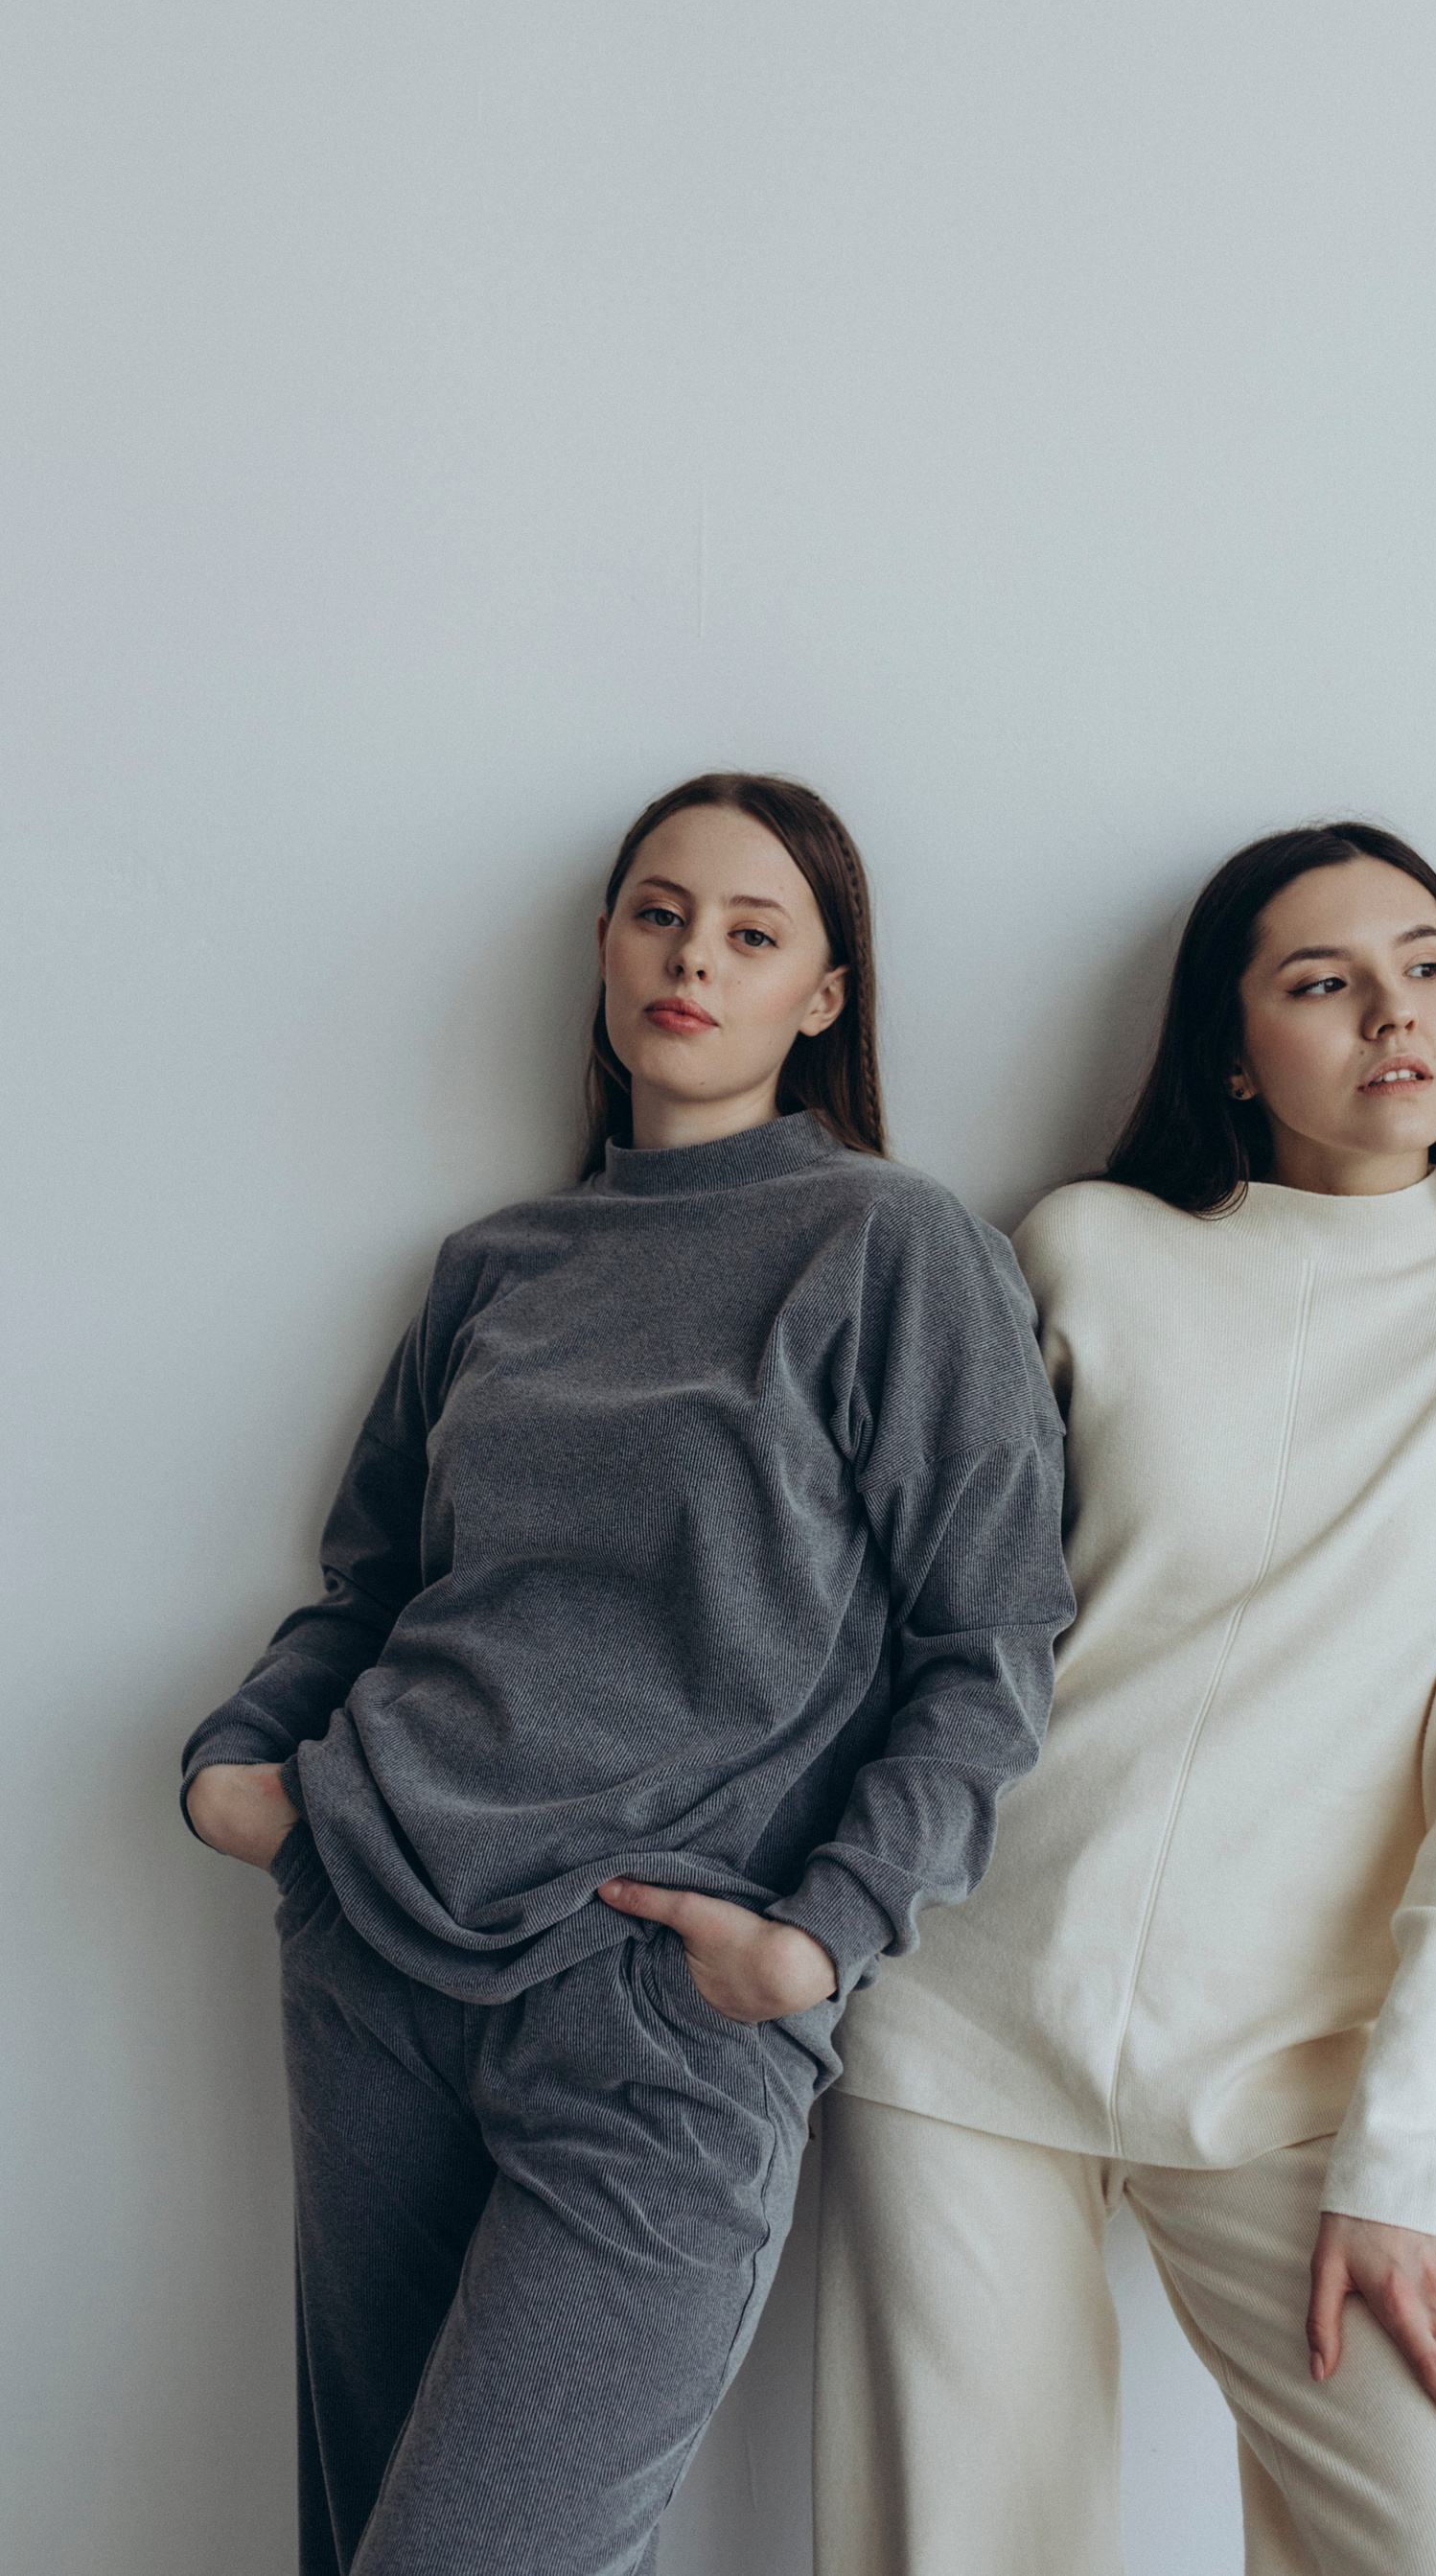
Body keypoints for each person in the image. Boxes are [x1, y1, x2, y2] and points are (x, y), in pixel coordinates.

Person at [182, 772, 1073, 2576]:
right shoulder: (497, 1265)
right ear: (605, 944)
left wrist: (818, 1937)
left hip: (658, 2009)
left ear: (823, 995)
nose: (694, 960)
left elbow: (989, 1645)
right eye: (661, 914)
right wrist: (244, 1771)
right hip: (375, 1953)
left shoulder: (891, 1248)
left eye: (754, 932)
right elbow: (371, 1586)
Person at [818, 822, 1436, 2576]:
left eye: (1426, 966)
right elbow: (909, 1620)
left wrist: (1403, 2164)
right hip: (963, 2017)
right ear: (1229, 1048)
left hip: (1289, 2077)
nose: (1395, 1012)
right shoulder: (1085, 1251)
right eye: (1324, 980)